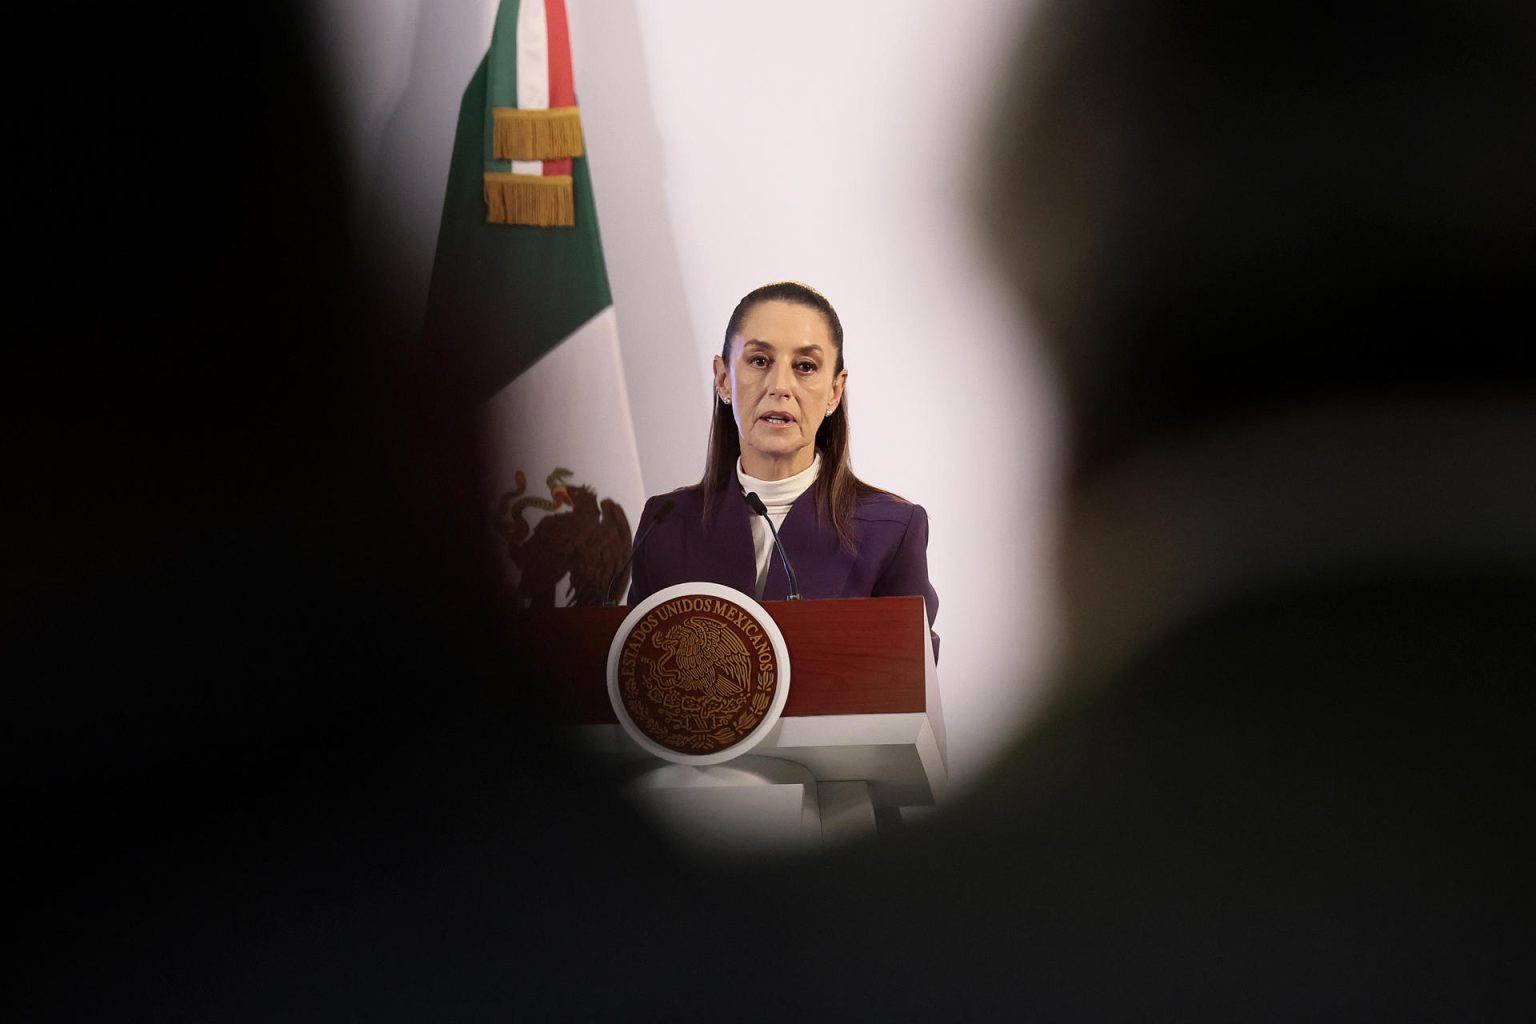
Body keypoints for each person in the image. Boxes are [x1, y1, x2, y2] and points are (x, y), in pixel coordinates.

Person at [626, 281, 939, 654]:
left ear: (834, 392)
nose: (780, 386)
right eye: (759, 361)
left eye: (805, 367)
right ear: (723, 379)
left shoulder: (891, 533)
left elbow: (907, 691)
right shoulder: (664, 525)